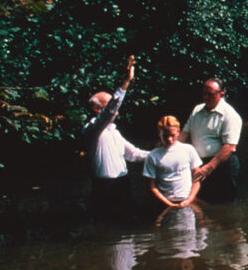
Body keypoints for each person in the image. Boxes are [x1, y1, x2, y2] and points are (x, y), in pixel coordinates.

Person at [82, 55, 148, 218]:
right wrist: (126, 81)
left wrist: (162, 153)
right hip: (104, 187)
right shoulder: (92, 129)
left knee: (125, 226)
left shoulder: (114, 132)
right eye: (108, 105)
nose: (116, 109)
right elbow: (110, 111)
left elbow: (134, 154)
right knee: (106, 227)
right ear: (97, 110)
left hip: (122, 184)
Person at [180, 78, 242, 201]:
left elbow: (229, 146)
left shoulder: (230, 115)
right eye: (204, 93)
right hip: (199, 165)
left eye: (211, 94)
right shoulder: (197, 109)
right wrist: (167, 147)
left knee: (223, 206)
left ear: (221, 94)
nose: (206, 97)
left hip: (221, 166)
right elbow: (184, 133)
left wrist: (208, 168)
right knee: (199, 200)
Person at [142, 115, 202, 211]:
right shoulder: (153, 156)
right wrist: (169, 204)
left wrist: (190, 199)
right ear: (159, 133)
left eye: (172, 135)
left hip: (187, 199)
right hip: (165, 202)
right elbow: (151, 186)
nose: (169, 139)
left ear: (178, 132)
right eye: (165, 136)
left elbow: (197, 177)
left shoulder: (188, 149)